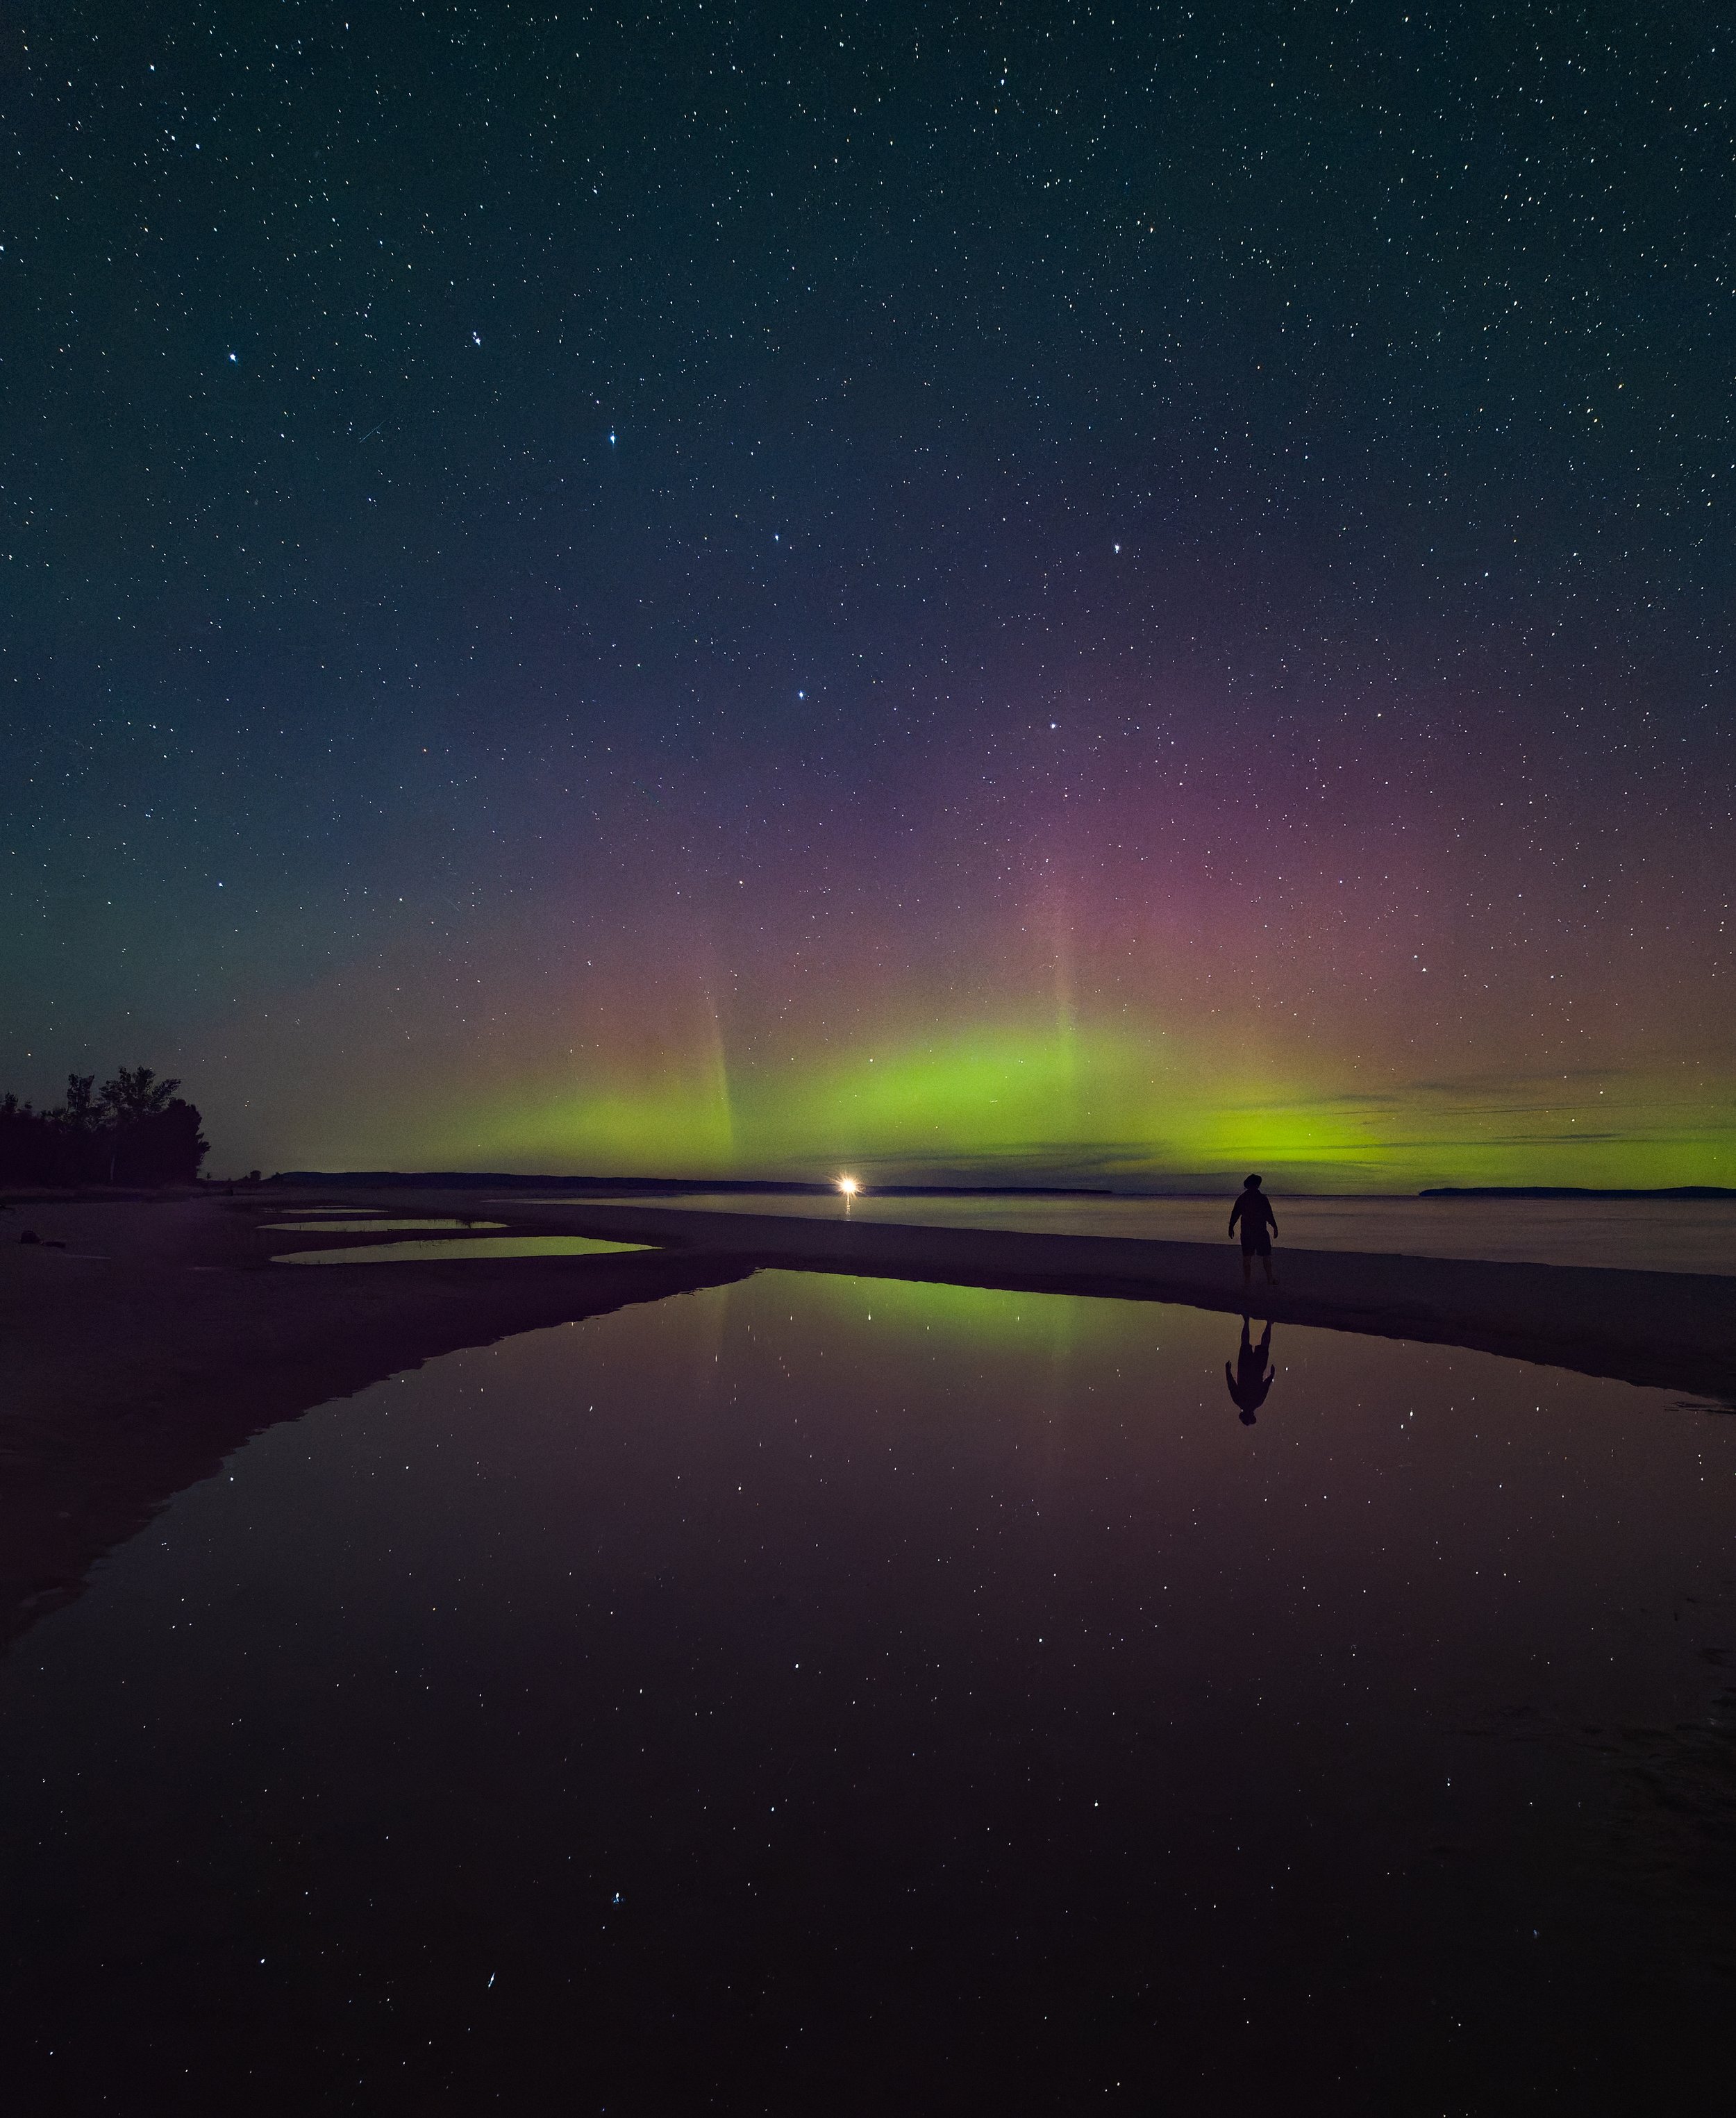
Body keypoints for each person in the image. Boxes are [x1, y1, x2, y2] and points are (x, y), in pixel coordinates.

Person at [1228, 1172, 1278, 1288]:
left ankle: (1248, 1282)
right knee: (1265, 1256)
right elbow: (1268, 1214)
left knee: (1248, 1257)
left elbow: (1235, 1214)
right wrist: (1274, 1226)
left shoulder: (1243, 1198)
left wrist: (1231, 1226)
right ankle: (1269, 1279)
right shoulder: (1261, 1198)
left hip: (1248, 1232)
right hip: (1259, 1231)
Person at [1225, 1317, 1275, 1425]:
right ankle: (1248, 1320)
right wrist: (1228, 1372)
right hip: (1246, 1368)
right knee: (1246, 1344)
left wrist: (1271, 1376)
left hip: (1255, 1369)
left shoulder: (1257, 1402)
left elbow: (1265, 1387)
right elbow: (1232, 1385)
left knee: (1263, 1346)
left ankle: (1269, 1323)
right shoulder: (1239, 1401)